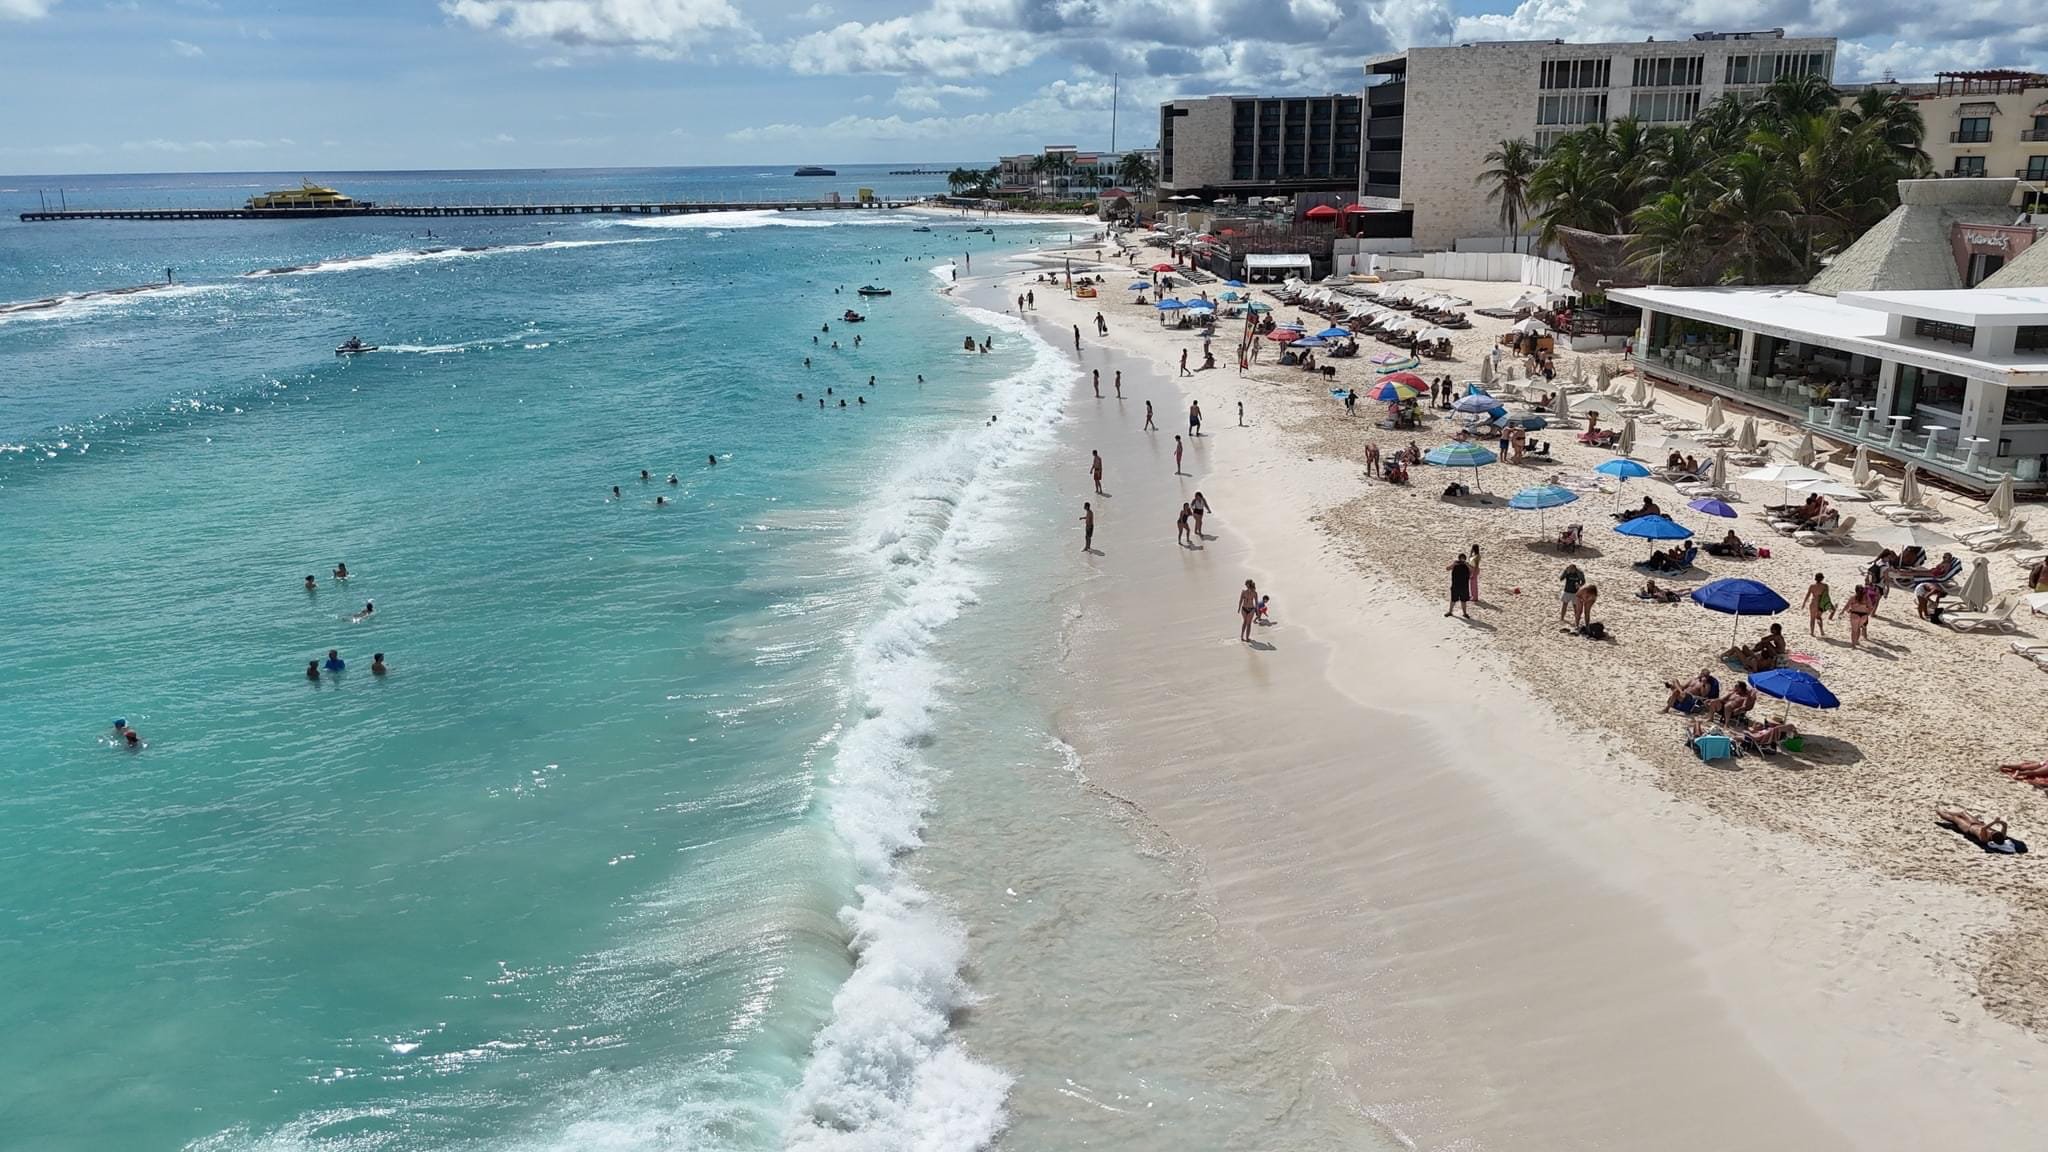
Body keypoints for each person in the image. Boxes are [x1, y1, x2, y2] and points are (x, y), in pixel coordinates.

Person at [1935, 807, 2027, 854]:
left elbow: (1984, 828)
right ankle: (1947, 811)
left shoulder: (1985, 839)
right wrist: (2000, 822)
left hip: (1968, 828)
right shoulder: (2001, 836)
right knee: (1963, 813)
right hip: (1977, 823)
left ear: (1991, 836)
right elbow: (2005, 825)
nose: (1993, 831)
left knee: (1954, 818)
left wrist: (1994, 822)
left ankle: (1939, 812)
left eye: (1993, 832)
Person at [1844, 583, 1874, 647]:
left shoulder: (1853, 597)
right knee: (1858, 628)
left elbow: (1847, 606)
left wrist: (1842, 612)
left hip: (1855, 614)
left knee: (1854, 630)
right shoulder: (1866, 598)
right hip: (1864, 615)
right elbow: (1871, 607)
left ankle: (1853, 644)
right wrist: (1868, 613)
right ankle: (1857, 641)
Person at [1803, 572, 1830, 637]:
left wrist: (1804, 603)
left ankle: (1812, 632)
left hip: (1813, 603)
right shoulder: (1825, 586)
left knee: (1812, 618)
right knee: (1819, 617)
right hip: (1821, 603)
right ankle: (1821, 631)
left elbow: (1808, 595)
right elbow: (1826, 596)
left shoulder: (1812, 586)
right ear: (1822, 578)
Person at [1446, 553, 1472, 618]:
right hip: (1455, 585)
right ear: (1459, 558)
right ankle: (1450, 612)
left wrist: (1467, 564)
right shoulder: (1455, 564)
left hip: (1464, 586)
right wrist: (1454, 564)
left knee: (1463, 601)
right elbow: (1447, 568)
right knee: (1453, 600)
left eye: (1463, 558)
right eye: (1461, 558)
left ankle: (1465, 613)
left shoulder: (1467, 565)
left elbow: (1472, 570)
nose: (1462, 560)